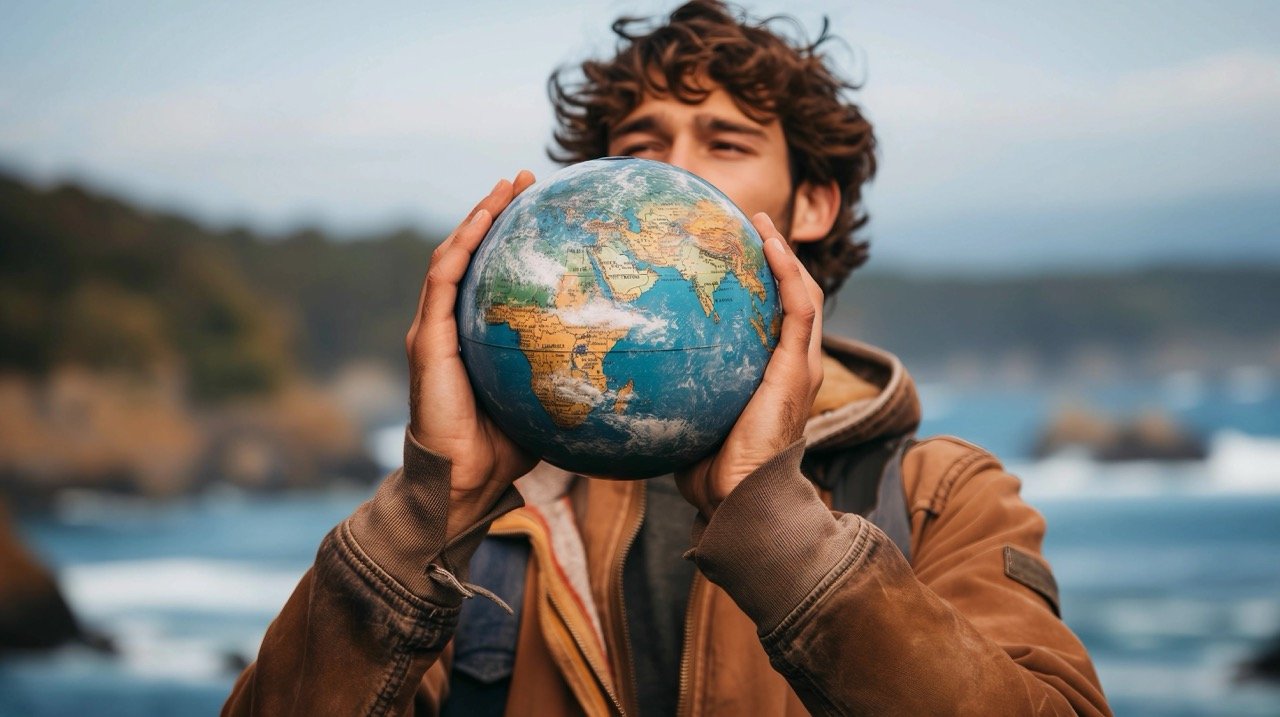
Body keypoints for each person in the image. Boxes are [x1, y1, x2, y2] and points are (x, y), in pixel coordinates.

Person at [224, 2, 1111, 715]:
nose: (675, 177)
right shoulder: (487, 524)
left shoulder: (934, 494)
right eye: (641, 147)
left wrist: (784, 536)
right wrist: (434, 505)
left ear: (812, 204)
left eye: (725, 144)